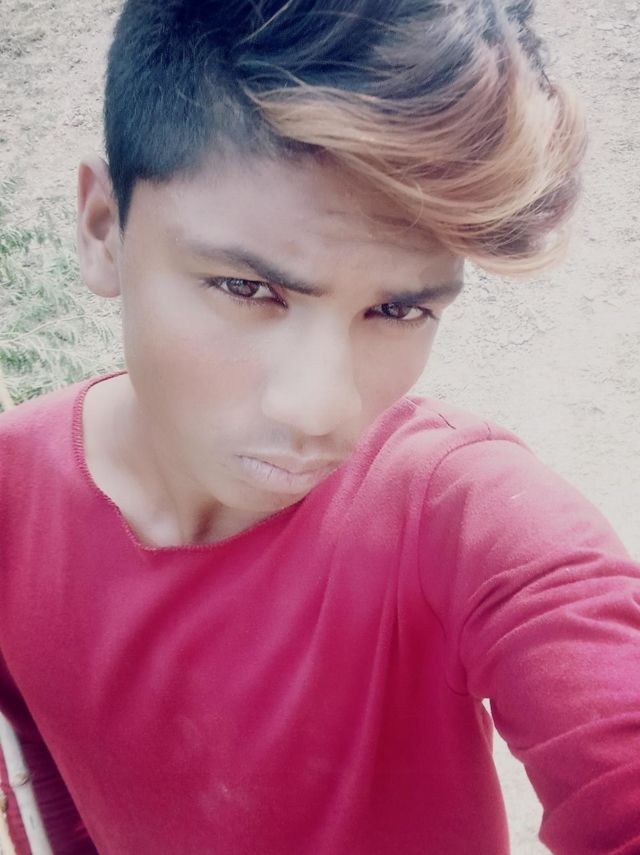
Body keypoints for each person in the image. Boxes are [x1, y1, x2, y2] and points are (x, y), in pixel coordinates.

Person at [0, 0, 638, 852]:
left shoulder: (459, 514)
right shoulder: (10, 501)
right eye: (246, 288)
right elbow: (42, 769)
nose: (321, 409)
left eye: (398, 309)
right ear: (104, 228)